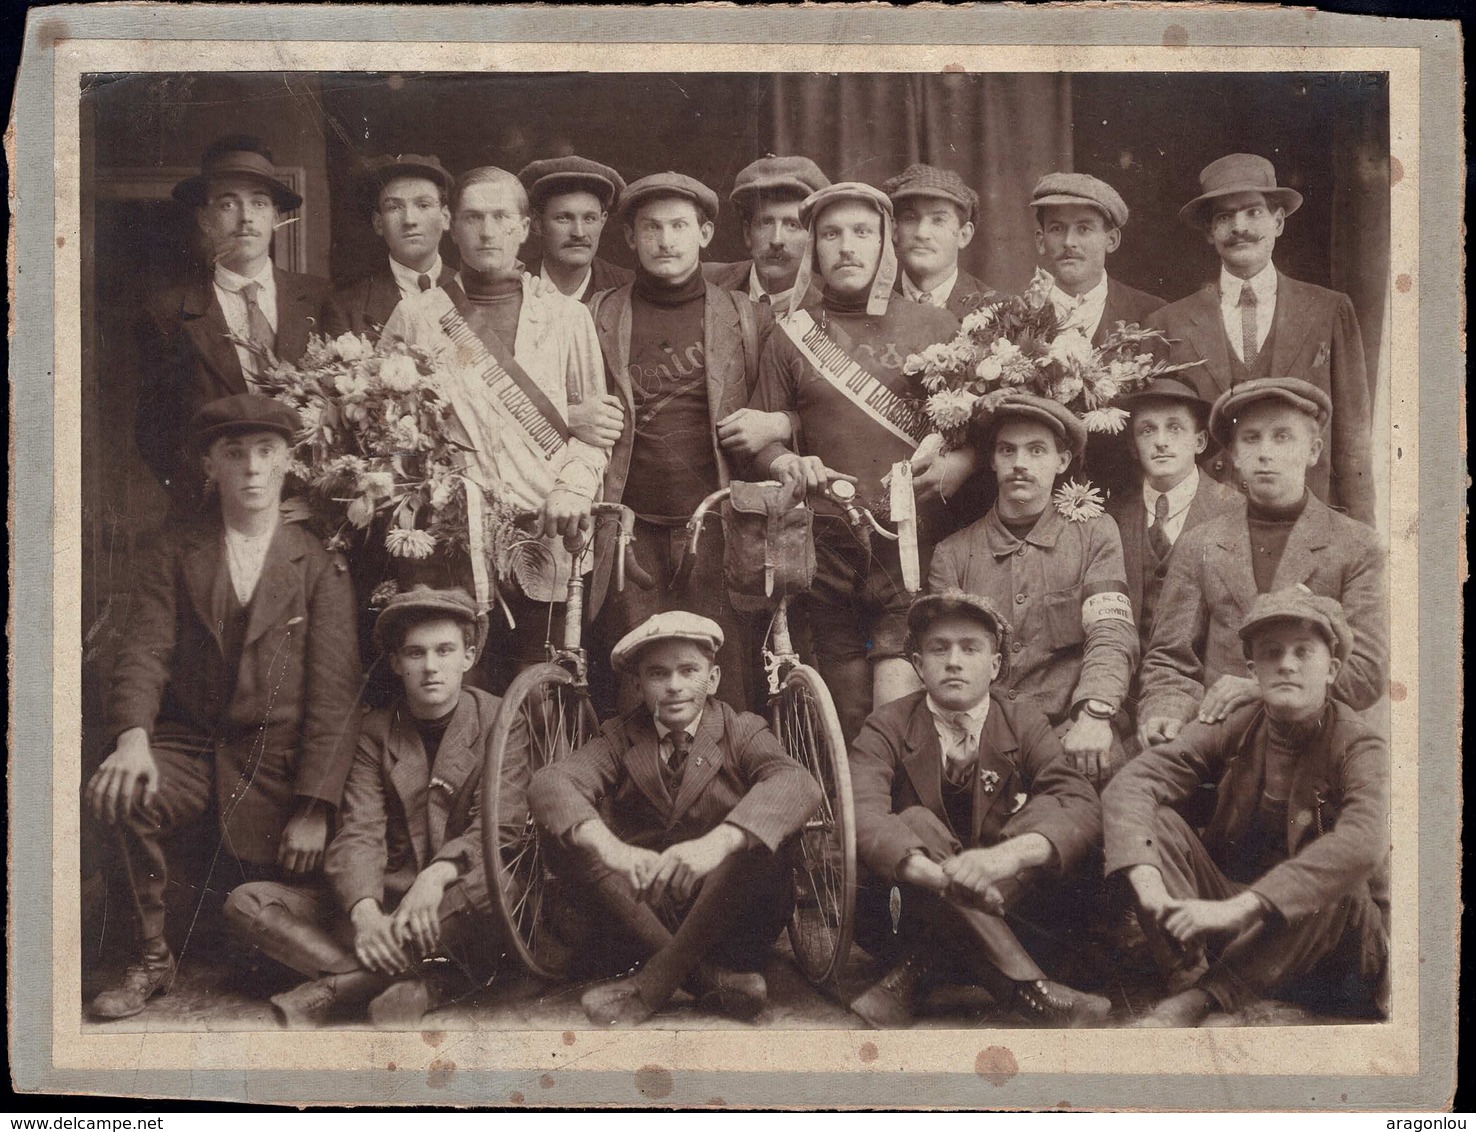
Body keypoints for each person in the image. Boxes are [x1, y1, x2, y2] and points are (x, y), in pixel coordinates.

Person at [85, 394, 361, 1020]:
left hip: (276, 761)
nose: (253, 469)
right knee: (119, 788)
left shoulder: (318, 561)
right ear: (210, 464)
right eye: (235, 454)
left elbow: (334, 695)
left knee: (258, 942)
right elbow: (143, 652)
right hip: (191, 746)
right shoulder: (175, 550)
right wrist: (132, 739)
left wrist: (315, 807)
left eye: (267, 452)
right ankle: (150, 960)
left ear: (290, 461)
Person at [747, 180, 975, 742]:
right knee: (846, 717)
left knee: (898, 718)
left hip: (910, 548)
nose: (846, 247)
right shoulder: (789, 338)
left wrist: (961, 463)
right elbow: (763, 435)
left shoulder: (937, 328)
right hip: (824, 551)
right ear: (814, 247)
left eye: (861, 233)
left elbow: (976, 434)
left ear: (885, 243)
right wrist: (786, 465)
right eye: (830, 234)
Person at [224, 587, 512, 1029]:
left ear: (469, 657)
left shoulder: (502, 720)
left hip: (453, 898)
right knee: (246, 903)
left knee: (501, 887)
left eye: (445, 650)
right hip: (387, 897)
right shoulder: (375, 730)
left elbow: (499, 827)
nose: (430, 667)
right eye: (415, 653)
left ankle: (337, 990)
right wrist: (364, 911)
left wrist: (436, 877)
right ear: (396, 663)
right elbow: (360, 828)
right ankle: (429, 982)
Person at [1104, 587, 1388, 1027]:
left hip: (1328, 946)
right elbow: (1135, 782)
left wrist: (1243, 908)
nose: (1287, 664)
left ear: (1331, 670)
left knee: (1341, 879)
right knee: (1155, 824)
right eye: (1272, 653)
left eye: (1302, 652)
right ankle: (1193, 980)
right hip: (1236, 928)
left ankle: (1200, 1001)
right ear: (1253, 670)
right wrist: (1148, 883)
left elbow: (1365, 843)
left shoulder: (1357, 743)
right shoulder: (1239, 721)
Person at [527, 612, 822, 1025]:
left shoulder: (743, 730)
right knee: (563, 832)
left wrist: (714, 845)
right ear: (637, 685)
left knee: (763, 833)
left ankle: (654, 983)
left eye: (689, 670)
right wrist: (614, 851)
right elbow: (550, 783)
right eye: (657, 674)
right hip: (648, 914)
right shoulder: (618, 736)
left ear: (714, 678)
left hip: (734, 921)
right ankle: (708, 981)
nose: (675, 686)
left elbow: (799, 783)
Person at [380, 166, 612, 685]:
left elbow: (596, 433)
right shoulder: (416, 316)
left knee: (545, 691)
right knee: (465, 689)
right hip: (452, 544)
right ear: (452, 227)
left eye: (501, 217)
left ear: (524, 227)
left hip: (547, 535)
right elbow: (388, 435)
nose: (487, 232)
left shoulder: (567, 318)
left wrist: (573, 488)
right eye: (473, 218)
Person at [847, 591, 1111, 1028]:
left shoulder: (1022, 720)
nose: (953, 661)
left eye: (970, 649)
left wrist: (1002, 859)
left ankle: (920, 972)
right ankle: (1030, 992)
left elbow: (1079, 803)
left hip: (1011, 905)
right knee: (913, 822)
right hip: (909, 909)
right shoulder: (888, 724)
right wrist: (939, 879)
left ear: (995, 665)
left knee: (1050, 805)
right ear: (917, 665)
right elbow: (862, 811)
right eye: (939, 649)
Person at [583, 172, 789, 714]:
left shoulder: (746, 316)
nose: (665, 240)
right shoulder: (599, 314)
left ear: (704, 233)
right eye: (651, 227)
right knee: (634, 678)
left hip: (717, 522)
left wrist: (781, 423)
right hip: (629, 526)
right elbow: (573, 407)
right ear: (629, 238)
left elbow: (790, 404)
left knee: (725, 681)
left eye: (679, 226)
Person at [1136, 379, 1387, 748]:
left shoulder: (1356, 545)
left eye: (1282, 437)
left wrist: (1262, 690)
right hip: (1218, 746)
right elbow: (1172, 660)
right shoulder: (1201, 542)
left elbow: (1367, 671)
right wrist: (1166, 710)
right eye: (1251, 439)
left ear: (1313, 450)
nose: (1265, 452)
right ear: (1235, 455)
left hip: (1316, 746)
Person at [1147, 154, 1374, 524]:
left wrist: (1362, 540)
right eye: (1224, 217)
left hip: (1305, 525)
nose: (1240, 227)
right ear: (1210, 233)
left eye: (1253, 212)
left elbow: (1354, 444)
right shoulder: (1168, 324)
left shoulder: (1329, 311)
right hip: (1202, 530)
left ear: (1278, 221)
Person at [929, 393, 1139, 787]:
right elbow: (947, 661)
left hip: (1073, 733)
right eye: (1007, 450)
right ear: (992, 461)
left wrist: (1095, 713)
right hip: (985, 742)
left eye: (1036, 450)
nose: (1020, 464)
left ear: (1062, 461)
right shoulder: (953, 555)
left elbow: (1111, 632)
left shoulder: (1094, 534)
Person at [135, 136, 332, 512]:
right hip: (213, 518)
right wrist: (215, 496)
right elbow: (153, 433)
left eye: (258, 203)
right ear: (205, 219)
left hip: (309, 519)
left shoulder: (321, 301)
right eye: (228, 204)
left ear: (276, 217)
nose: (245, 218)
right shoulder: (168, 314)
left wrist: (319, 502)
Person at [1031, 172, 1167, 497]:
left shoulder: (1153, 315)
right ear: (1040, 240)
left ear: (1112, 239)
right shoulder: (1016, 320)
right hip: (1040, 506)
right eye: (1056, 228)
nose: (1069, 243)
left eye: (1084, 228)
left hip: (1128, 500)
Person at [1106, 376, 1242, 660]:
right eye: (1147, 431)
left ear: (1200, 441)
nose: (1161, 442)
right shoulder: (1111, 517)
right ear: (1133, 446)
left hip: (1198, 685)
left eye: (1175, 428)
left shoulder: (1235, 514)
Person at [321, 154, 457, 340]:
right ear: (378, 223)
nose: (410, 220)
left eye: (423, 205)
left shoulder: (470, 291)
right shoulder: (346, 309)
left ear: (445, 217)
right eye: (394, 207)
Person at [702, 154, 830, 311]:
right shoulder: (706, 282)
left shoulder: (826, 310)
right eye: (766, 222)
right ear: (747, 233)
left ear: (813, 238)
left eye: (792, 225)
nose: (776, 240)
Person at [881, 163, 1000, 318]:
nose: (922, 233)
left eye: (938, 220)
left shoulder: (998, 311)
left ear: (963, 235)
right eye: (910, 218)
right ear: (894, 230)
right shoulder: (872, 308)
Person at [517, 155, 634, 304]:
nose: (579, 233)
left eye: (589, 218)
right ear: (537, 222)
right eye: (563, 218)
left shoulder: (629, 288)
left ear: (602, 221)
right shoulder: (515, 286)